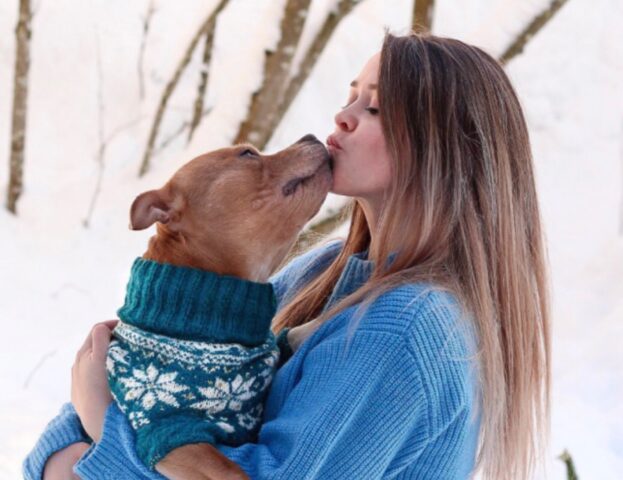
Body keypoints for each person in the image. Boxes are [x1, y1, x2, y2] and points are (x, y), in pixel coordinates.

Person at [24, 31, 551, 480]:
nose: (342, 118)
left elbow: (84, 445)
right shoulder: (323, 273)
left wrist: (100, 428)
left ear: (444, 148)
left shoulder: (407, 329)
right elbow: (164, 385)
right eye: (350, 98)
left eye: (374, 108)